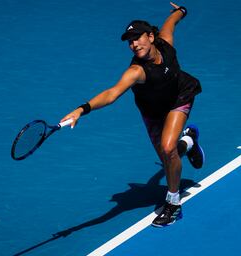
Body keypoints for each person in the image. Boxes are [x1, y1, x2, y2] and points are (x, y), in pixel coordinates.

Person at [60, 2, 205, 227]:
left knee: (168, 149)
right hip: (153, 112)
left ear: (150, 36)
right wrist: (81, 109)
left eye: (137, 38)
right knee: (168, 157)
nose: (133, 44)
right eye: (130, 41)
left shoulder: (165, 43)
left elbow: (171, 23)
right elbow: (111, 93)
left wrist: (181, 10)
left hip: (180, 96)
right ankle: (189, 141)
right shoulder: (136, 71)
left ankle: (173, 204)